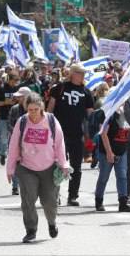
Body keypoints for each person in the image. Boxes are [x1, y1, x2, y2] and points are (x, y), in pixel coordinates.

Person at [6, 92, 68, 243]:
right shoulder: (22, 122)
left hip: (48, 167)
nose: (33, 113)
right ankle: (31, 230)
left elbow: (59, 145)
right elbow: (13, 146)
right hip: (26, 167)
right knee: (28, 199)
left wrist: (64, 164)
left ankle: (51, 222)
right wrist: (10, 168)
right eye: (30, 110)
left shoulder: (51, 121)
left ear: (41, 107)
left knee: (49, 202)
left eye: (36, 109)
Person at [47, 63, 94, 206]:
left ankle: (73, 196)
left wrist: (91, 132)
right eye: (81, 73)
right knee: (58, 165)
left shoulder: (86, 92)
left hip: (77, 134)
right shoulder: (59, 88)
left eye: (84, 74)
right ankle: (55, 194)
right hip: (59, 133)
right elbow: (50, 109)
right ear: (73, 73)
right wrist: (48, 128)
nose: (83, 76)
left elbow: (90, 114)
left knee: (76, 166)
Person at [92, 94, 130, 212]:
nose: (124, 102)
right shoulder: (107, 114)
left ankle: (123, 203)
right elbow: (104, 134)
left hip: (122, 151)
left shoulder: (125, 114)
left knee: (122, 177)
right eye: (121, 100)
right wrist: (109, 153)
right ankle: (98, 201)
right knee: (103, 177)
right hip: (107, 152)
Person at [0, 73, 20, 165]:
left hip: (15, 117)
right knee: (4, 137)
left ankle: (14, 155)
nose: (14, 83)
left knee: (15, 136)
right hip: (4, 116)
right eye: (13, 81)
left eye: (16, 81)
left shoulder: (17, 89)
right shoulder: (1, 89)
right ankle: (3, 153)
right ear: (9, 79)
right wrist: (5, 103)